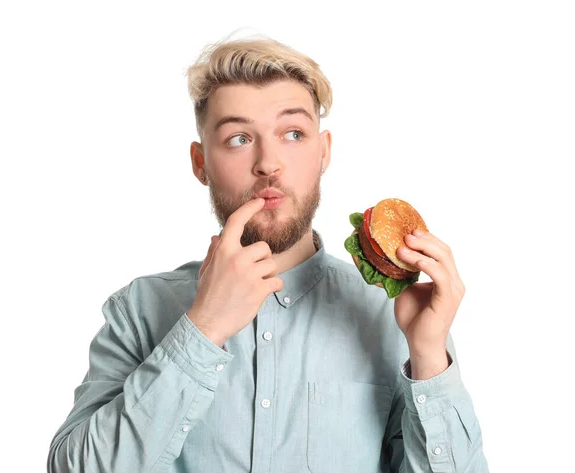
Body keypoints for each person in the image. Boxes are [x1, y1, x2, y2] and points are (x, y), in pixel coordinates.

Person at [47, 33, 489, 473]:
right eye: (239, 138)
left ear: (324, 152)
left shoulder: (391, 316)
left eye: (293, 133)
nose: (268, 163)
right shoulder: (138, 311)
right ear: (201, 163)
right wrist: (203, 329)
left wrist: (430, 357)